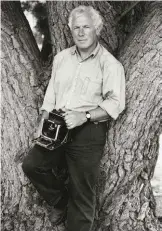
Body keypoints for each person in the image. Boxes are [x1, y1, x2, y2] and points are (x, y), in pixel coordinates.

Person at [22, 5, 125, 231]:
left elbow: (115, 104)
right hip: (57, 125)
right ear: (70, 30)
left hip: (89, 130)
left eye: (86, 27)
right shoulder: (61, 58)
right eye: (76, 27)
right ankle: (60, 201)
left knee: (83, 194)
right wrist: (43, 119)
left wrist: (84, 116)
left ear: (97, 29)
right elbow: (51, 94)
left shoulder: (109, 65)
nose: (80, 32)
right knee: (32, 165)